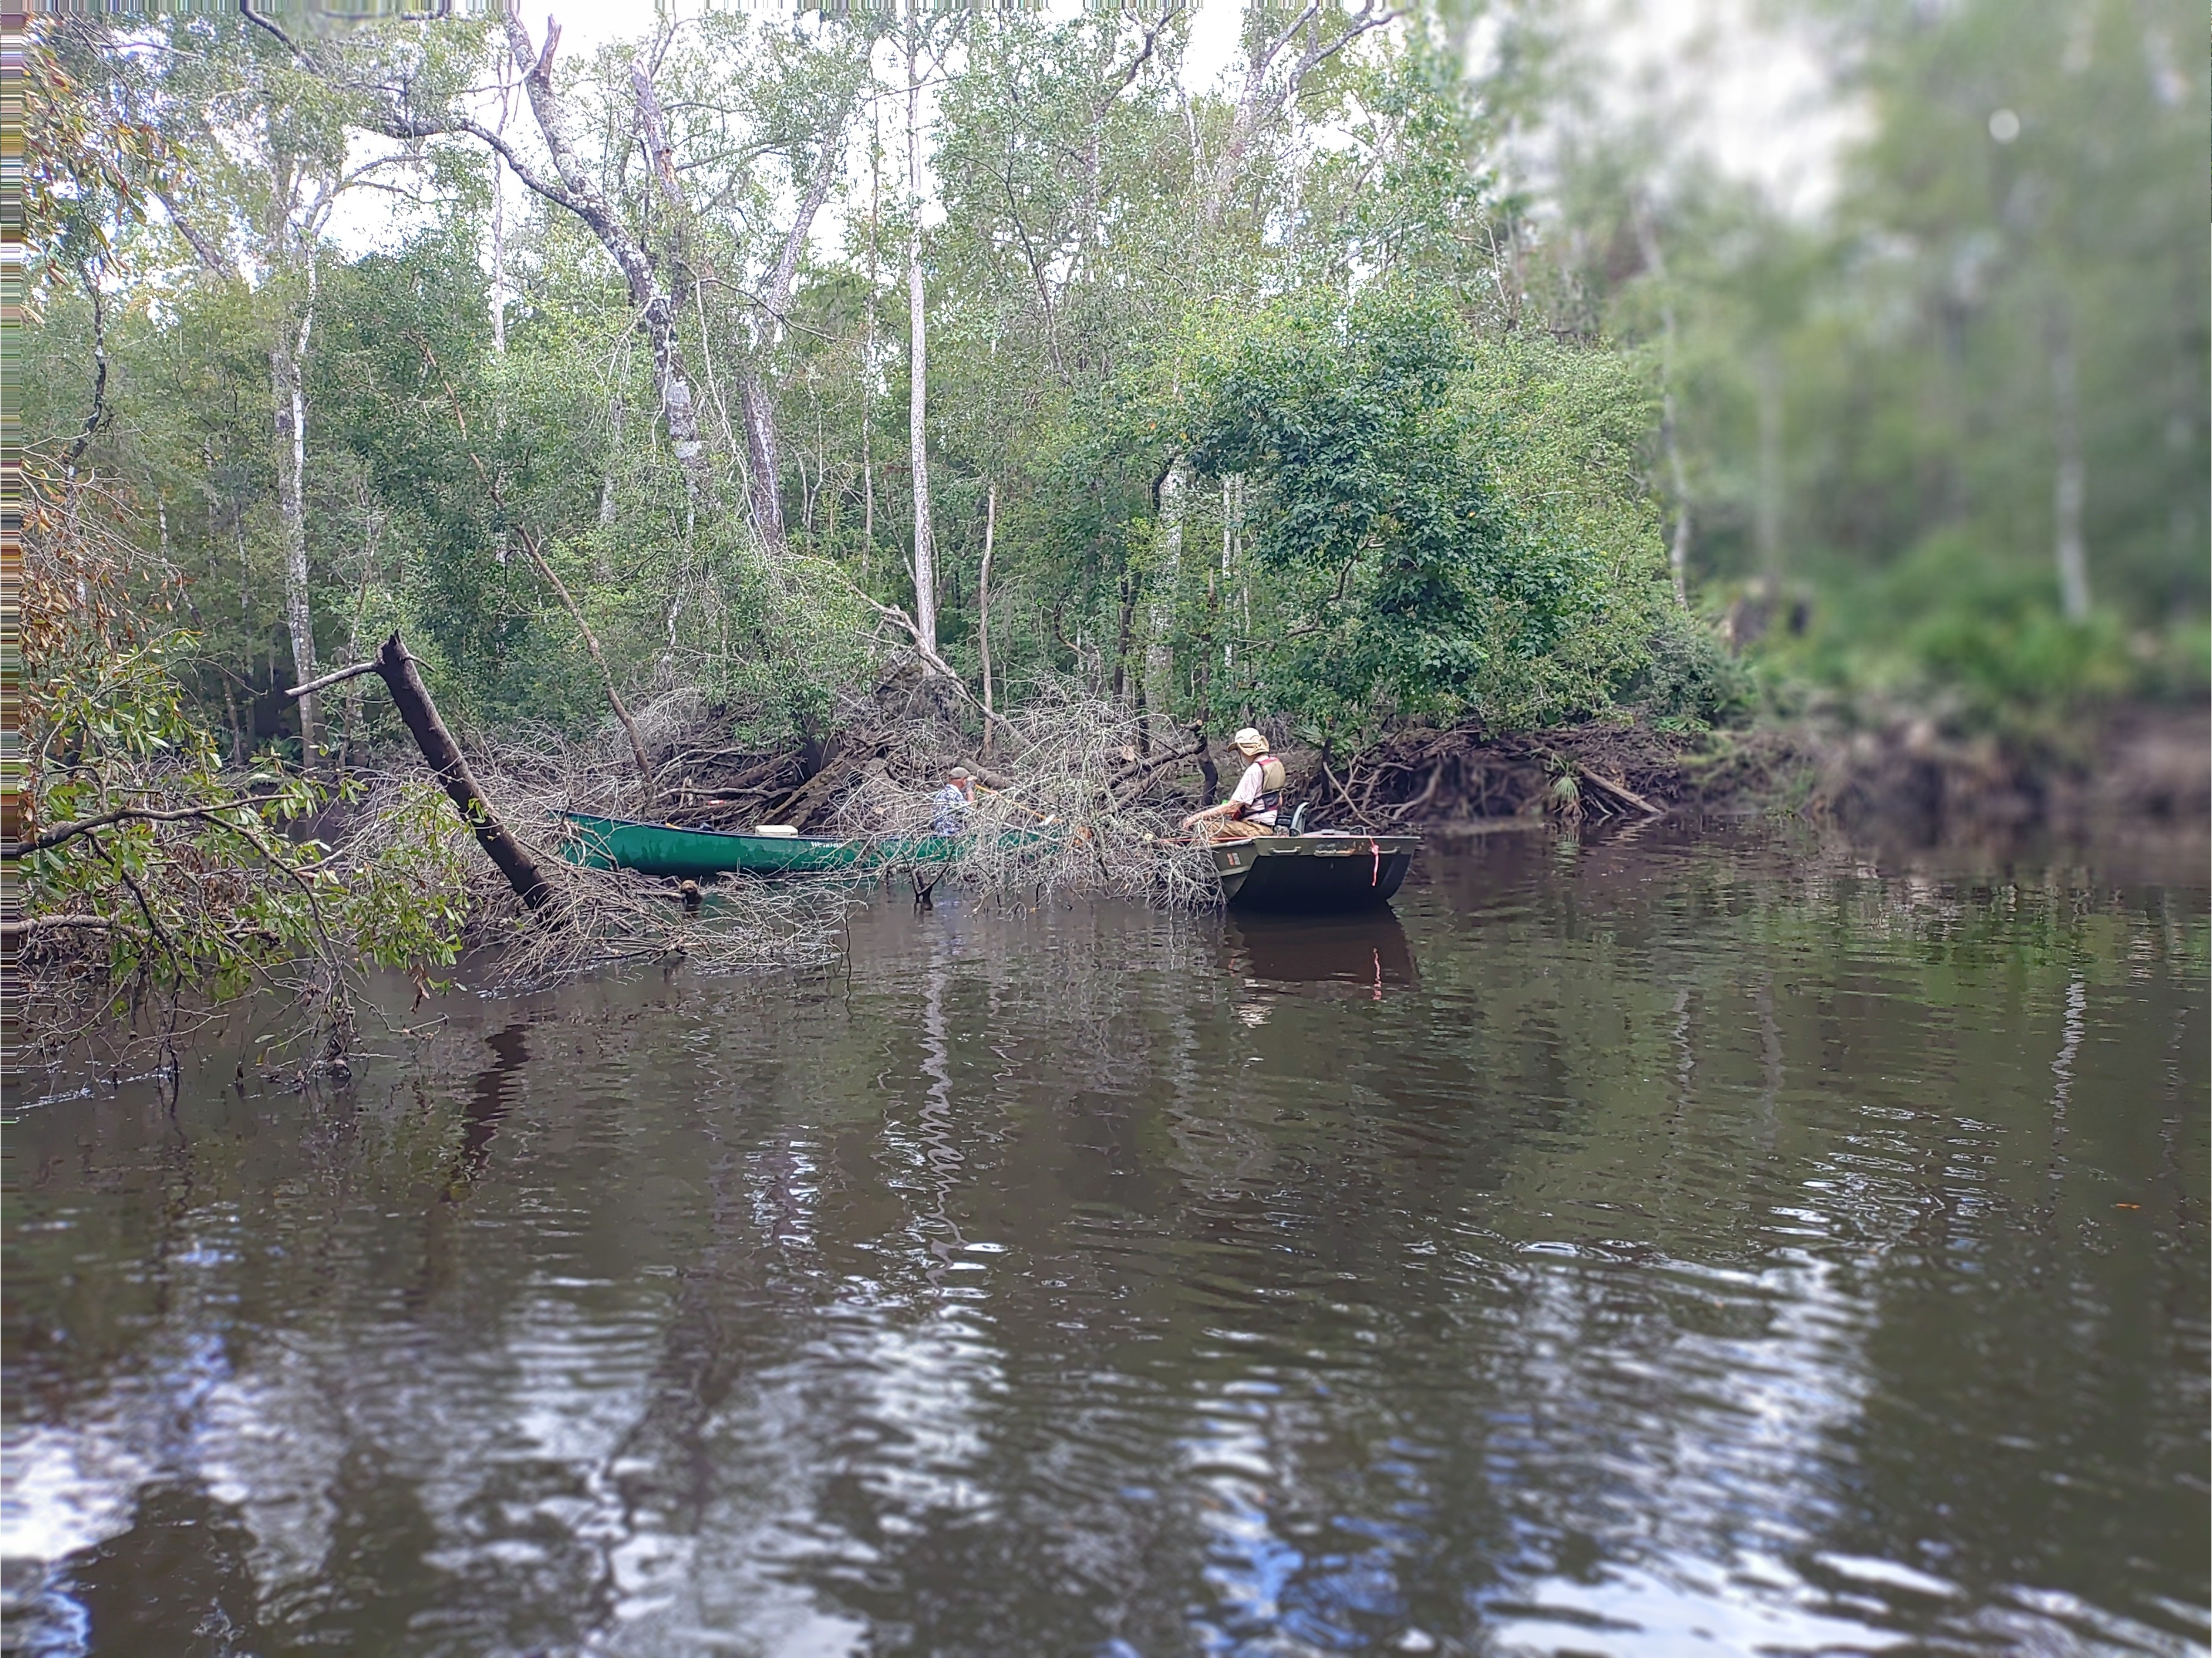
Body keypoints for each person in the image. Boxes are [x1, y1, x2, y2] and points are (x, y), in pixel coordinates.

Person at [1182, 729, 1285, 841]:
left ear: (1244, 751)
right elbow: (1279, 802)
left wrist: (1196, 817)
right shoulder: (1275, 765)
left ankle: (1212, 857)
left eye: (1238, 750)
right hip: (1268, 828)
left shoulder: (1254, 771)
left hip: (1255, 829)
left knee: (1204, 827)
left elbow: (1232, 807)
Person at [930, 765, 976, 835]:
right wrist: (969, 789)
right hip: (953, 835)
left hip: (941, 834)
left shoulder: (942, 793)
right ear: (963, 781)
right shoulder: (954, 795)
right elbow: (971, 812)